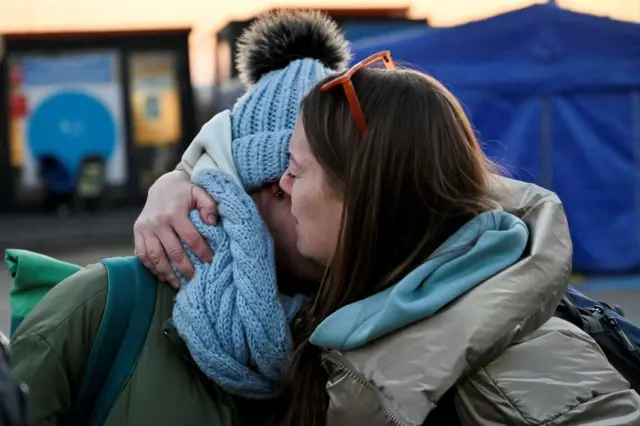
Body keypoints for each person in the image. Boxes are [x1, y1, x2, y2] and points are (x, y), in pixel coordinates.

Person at [140, 52, 640, 425]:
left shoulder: (529, 368)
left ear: (363, 201)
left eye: (294, 171)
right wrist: (178, 179)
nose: (282, 188)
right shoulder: (367, 298)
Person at [10, 10, 349, 426]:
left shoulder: (369, 317)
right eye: (293, 183)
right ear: (251, 195)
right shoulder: (105, 307)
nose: (344, 211)